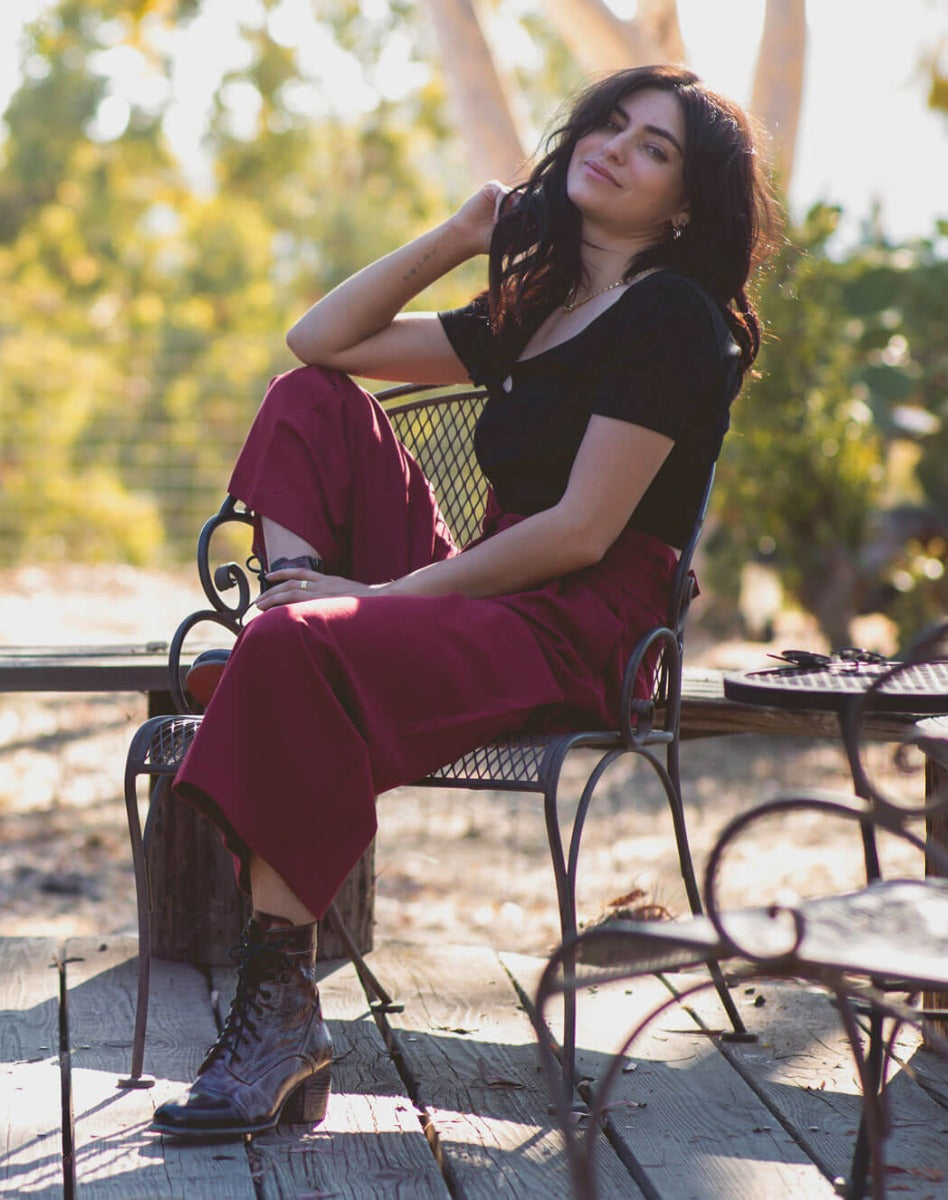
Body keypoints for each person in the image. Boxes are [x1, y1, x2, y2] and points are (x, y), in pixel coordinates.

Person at [151, 63, 776, 1140]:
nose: (616, 146)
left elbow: (582, 532)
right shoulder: (537, 305)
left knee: (303, 647)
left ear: (682, 204)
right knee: (306, 403)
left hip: (582, 620)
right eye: (610, 123)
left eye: (654, 148)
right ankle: (291, 625)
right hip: (492, 578)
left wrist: (378, 593)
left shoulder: (672, 318)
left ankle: (277, 1004)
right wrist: (459, 233)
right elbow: (322, 344)